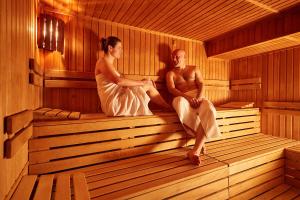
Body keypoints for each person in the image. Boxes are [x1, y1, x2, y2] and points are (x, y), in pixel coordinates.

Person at [166, 49, 220, 165]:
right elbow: (171, 89)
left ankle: (194, 151)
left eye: (177, 57)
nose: (174, 59)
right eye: (173, 57)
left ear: (184, 57)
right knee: (180, 103)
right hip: (181, 97)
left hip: (198, 96)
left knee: (210, 110)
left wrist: (199, 98)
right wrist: (187, 97)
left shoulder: (194, 68)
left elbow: (201, 83)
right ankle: (200, 142)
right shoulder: (170, 73)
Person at [95, 36, 171, 116]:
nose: (121, 51)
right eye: (119, 48)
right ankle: (168, 107)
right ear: (110, 48)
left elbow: (121, 84)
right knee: (147, 85)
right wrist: (143, 83)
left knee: (146, 83)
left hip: (116, 101)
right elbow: (119, 81)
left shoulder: (109, 65)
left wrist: (143, 82)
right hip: (114, 105)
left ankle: (166, 107)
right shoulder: (102, 62)